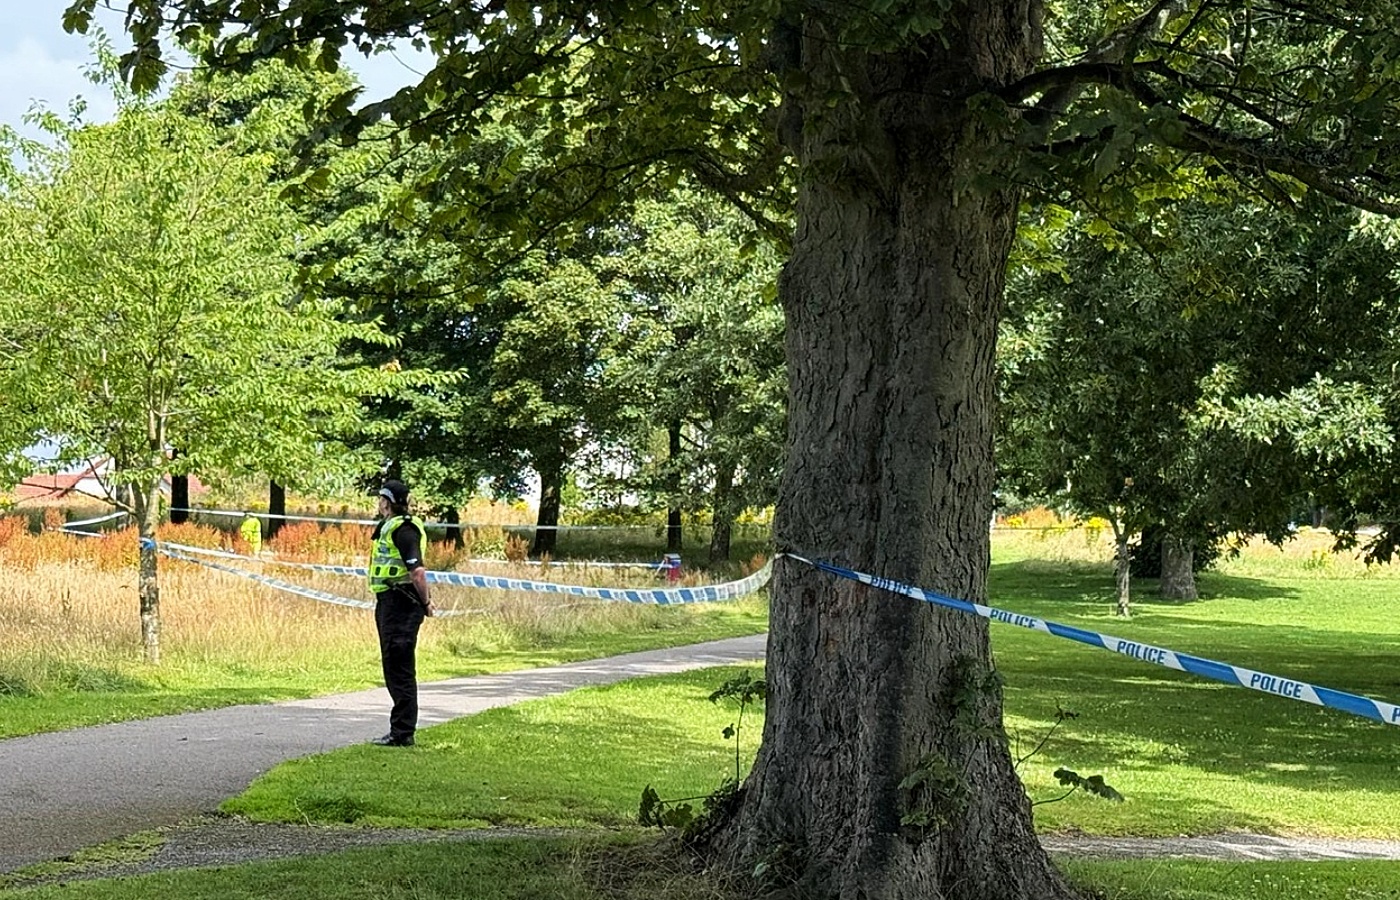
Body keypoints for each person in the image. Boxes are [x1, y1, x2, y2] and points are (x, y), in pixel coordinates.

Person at [367, 479, 433, 746]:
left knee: (400, 667)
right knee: (393, 666)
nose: (379, 504)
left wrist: (426, 602)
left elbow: (417, 572)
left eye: (381, 499)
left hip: (402, 602)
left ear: (387, 502)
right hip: (389, 601)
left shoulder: (404, 530)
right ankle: (400, 730)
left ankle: (403, 732)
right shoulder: (390, 526)